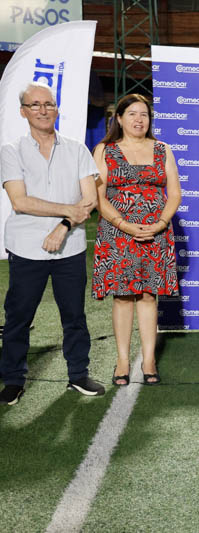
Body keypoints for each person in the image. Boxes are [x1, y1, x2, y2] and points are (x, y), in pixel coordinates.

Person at [0, 81, 104, 405]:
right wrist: (69, 210)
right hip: (26, 247)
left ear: (57, 110)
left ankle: (78, 375)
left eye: (49, 104)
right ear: (23, 112)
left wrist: (63, 226)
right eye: (35, 105)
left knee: (74, 316)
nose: (43, 110)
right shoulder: (11, 151)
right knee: (19, 317)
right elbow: (20, 201)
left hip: (70, 247)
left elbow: (89, 199)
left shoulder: (77, 149)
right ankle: (13, 380)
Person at [92, 94, 181, 386]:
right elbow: (98, 196)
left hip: (155, 233)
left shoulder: (162, 149)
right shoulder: (105, 150)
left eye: (144, 114)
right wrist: (125, 225)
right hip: (117, 234)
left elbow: (174, 193)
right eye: (132, 114)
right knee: (122, 296)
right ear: (119, 119)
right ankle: (122, 360)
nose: (139, 119)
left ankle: (149, 359)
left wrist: (160, 223)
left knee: (148, 295)